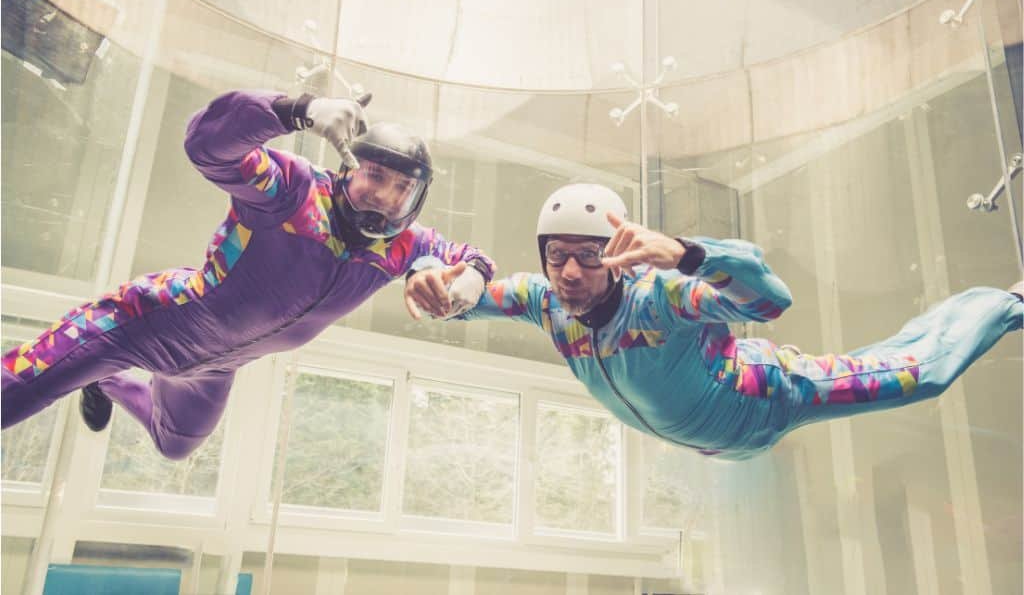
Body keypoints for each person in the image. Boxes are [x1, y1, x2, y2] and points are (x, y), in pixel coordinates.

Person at [2, 90, 493, 459]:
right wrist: (295, 110)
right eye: (375, 175)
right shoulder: (295, 190)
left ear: (417, 199)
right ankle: (98, 367)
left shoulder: (407, 247)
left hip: (215, 368)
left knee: (174, 445)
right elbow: (206, 145)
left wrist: (463, 280)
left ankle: (103, 381)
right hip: (144, 321)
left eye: (403, 187)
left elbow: (471, 260)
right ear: (348, 168)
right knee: (12, 396)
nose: (385, 197)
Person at [406, 183, 1023, 461]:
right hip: (718, 446)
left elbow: (769, 302)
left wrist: (689, 255)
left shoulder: (660, 299)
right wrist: (430, 274)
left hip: (770, 396)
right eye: (557, 255)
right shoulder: (543, 301)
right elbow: (466, 291)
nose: (569, 272)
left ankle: (1009, 302)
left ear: (617, 258)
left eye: (589, 256)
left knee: (922, 375)